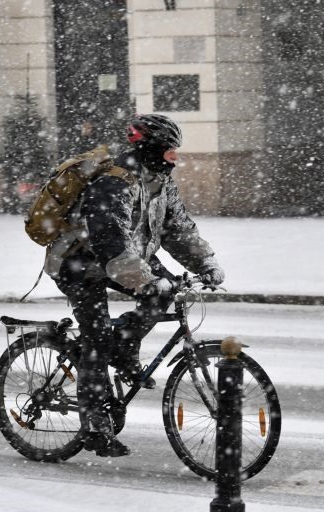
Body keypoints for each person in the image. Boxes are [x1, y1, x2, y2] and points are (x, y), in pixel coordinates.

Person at [45, 113, 225, 457]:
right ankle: (95, 425)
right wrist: (146, 280)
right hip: (80, 262)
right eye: (170, 151)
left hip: (126, 259)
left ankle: (124, 349)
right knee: (96, 335)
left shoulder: (159, 181)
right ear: (152, 149)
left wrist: (205, 263)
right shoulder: (114, 181)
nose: (175, 158)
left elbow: (179, 230)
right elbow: (111, 241)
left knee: (165, 292)